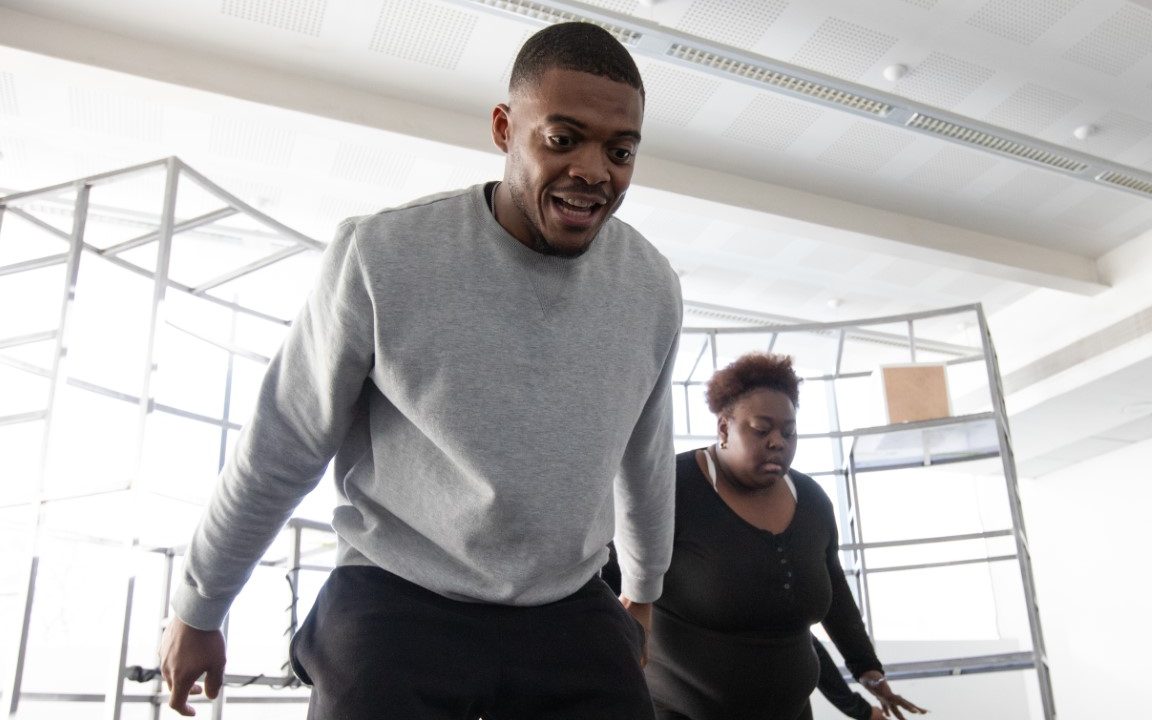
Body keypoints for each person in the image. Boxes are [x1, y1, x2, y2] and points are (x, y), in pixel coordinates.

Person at [159, 21, 682, 720]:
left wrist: (642, 591)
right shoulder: (383, 255)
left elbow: (644, 454)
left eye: (620, 150)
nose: (594, 170)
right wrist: (201, 606)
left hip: (564, 601)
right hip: (398, 590)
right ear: (504, 128)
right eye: (563, 139)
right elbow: (285, 441)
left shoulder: (650, 286)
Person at [639, 353, 925, 720]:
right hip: (682, 711)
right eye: (762, 429)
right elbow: (611, 590)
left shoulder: (811, 500)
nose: (778, 442)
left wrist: (868, 671)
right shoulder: (671, 490)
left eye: (788, 432)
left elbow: (835, 592)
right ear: (724, 428)